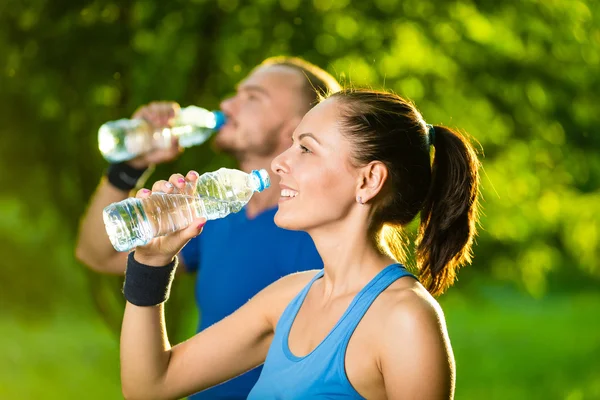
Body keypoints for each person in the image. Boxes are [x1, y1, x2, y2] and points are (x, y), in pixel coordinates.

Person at [119, 88, 482, 399]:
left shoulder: (405, 320)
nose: (278, 162)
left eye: (306, 149)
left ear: (369, 180)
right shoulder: (286, 299)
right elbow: (150, 386)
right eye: (291, 144)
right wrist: (151, 263)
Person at [75, 57, 342, 399]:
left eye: (252, 98)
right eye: (235, 94)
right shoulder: (218, 211)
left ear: (297, 126)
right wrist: (130, 165)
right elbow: (96, 253)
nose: (228, 105)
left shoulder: (324, 234)